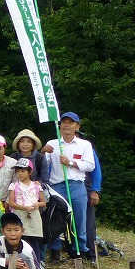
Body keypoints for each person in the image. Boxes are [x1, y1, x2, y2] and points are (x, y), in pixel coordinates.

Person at [43, 111, 95, 260]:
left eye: (70, 122)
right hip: (57, 185)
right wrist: (43, 152)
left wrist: (70, 163)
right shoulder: (52, 144)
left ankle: (80, 250)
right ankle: (55, 250)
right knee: (56, 219)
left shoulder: (84, 144)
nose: (66, 125)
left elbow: (90, 165)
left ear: (77, 126)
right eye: (64, 122)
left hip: (77, 185)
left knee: (79, 218)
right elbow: (44, 166)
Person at [7, 158, 46, 265]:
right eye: (18, 171)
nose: (20, 174)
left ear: (30, 172)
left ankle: (36, 264)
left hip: (34, 214)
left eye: (23, 171)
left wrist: (37, 204)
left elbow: (43, 202)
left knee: (34, 239)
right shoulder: (14, 186)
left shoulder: (37, 186)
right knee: (19, 238)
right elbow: (11, 202)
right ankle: (17, 262)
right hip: (19, 214)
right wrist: (24, 208)